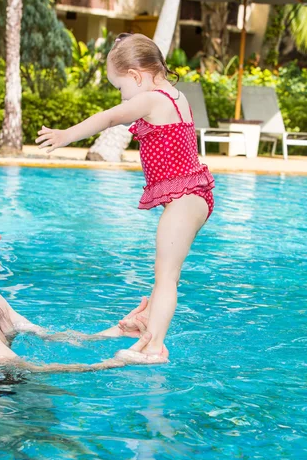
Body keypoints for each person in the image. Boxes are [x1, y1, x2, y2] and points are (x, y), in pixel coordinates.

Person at [36, 33, 215, 363]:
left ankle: (154, 347)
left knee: (165, 277)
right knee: (167, 273)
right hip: (195, 196)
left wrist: (66, 135)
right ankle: (147, 323)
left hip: (185, 198)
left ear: (136, 76)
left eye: (120, 87)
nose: (121, 95)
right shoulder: (176, 97)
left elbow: (109, 117)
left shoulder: (151, 99)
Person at [0, 193, 157, 376]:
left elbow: (47, 336)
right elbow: (28, 370)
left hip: (1, 395)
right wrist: (119, 362)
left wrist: (115, 333)